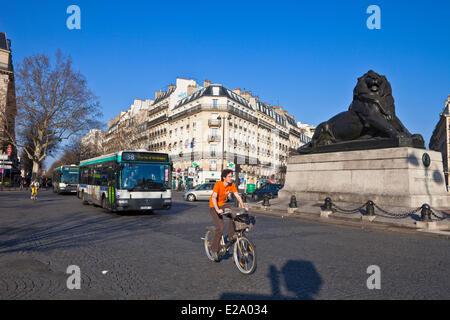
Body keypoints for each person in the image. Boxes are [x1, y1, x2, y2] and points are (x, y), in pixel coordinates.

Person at [209, 169, 248, 261]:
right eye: (229, 176)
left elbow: (237, 196)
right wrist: (217, 209)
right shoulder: (218, 184)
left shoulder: (231, 185)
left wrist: (243, 207)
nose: (231, 178)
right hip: (213, 207)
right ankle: (214, 249)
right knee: (220, 227)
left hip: (223, 205)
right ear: (224, 177)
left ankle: (231, 236)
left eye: (231, 176)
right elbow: (214, 197)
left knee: (235, 215)